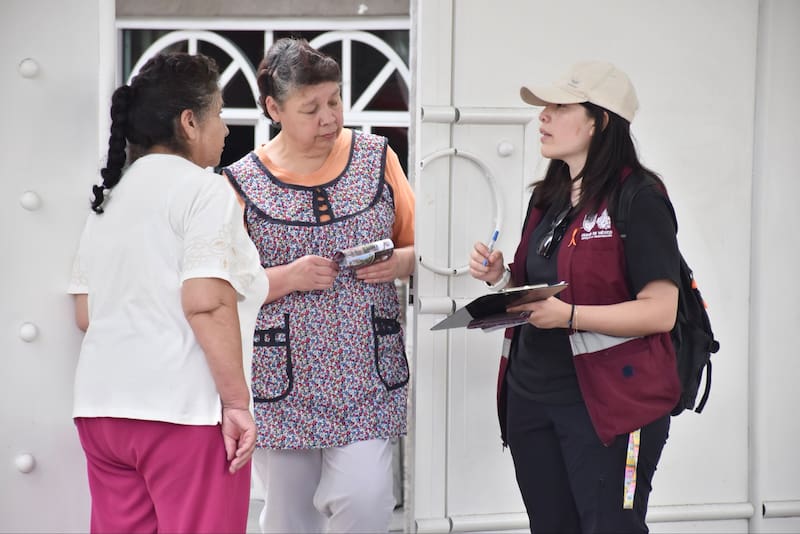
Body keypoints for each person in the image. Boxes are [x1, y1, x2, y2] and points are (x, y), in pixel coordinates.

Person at [470, 61, 682, 534]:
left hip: (613, 409)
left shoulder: (640, 197)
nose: (542, 116)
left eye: (559, 106)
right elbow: (544, 293)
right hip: (532, 399)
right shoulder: (549, 195)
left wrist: (570, 317)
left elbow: (661, 311)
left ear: (599, 121)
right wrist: (501, 278)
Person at [67, 52, 268, 533]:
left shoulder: (111, 197)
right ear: (189, 122)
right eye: (219, 114)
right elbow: (206, 301)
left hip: (102, 411)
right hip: (182, 413)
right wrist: (237, 405)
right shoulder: (205, 191)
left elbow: (86, 312)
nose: (224, 129)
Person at [222, 37, 415, 534]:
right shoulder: (241, 182)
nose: (330, 117)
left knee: (367, 499)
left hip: (365, 370)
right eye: (311, 108)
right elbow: (221, 289)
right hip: (281, 376)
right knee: (289, 517)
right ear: (273, 108)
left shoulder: (377, 158)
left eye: (335, 101)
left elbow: (423, 251)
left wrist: (398, 263)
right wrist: (289, 277)